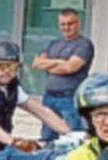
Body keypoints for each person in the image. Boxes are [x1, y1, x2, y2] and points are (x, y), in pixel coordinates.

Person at [31, 8, 94, 140]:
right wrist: (60, 62)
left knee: (75, 135)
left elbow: (70, 68)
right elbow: (36, 64)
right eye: (62, 24)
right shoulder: (53, 44)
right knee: (47, 136)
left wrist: (48, 65)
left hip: (70, 97)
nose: (66, 27)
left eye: (70, 23)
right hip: (49, 97)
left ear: (78, 23)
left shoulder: (84, 44)